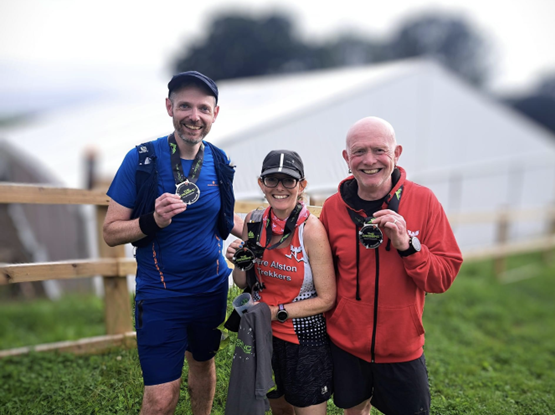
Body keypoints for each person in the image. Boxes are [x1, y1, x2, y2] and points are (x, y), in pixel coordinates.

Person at [103, 71, 243, 415]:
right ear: (169, 107)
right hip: (161, 295)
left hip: (210, 290)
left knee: (203, 365)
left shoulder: (220, 161)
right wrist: (153, 220)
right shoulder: (141, 160)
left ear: (215, 113)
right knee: (161, 397)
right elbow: (110, 232)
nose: (194, 116)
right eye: (185, 106)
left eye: (203, 108)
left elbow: (228, 220)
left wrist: (286, 230)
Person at [319, 117, 463, 415]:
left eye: (379, 150)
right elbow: (322, 272)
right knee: (354, 410)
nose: (369, 160)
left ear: (396, 153)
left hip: (402, 346)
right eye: (359, 152)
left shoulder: (424, 201)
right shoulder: (333, 208)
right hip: (346, 343)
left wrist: (408, 246)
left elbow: (443, 278)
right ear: (347, 158)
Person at [225, 150, 336, 415]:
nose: (280, 188)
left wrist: (277, 312)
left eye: (289, 181)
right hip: (264, 335)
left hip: (304, 339)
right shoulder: (253, 222)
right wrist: (240, 263)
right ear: (261, 184)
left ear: (302, 185)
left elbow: (327, 298)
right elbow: (243, 283)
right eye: (272, 180)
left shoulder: (310, 230)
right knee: (280, 410)